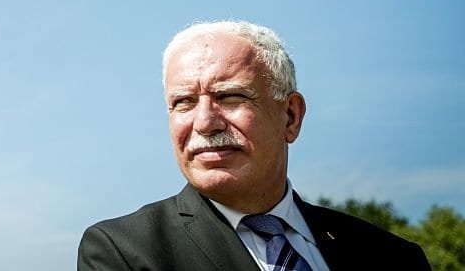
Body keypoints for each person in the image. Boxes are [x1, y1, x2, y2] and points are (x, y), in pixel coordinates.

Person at [77, 20, 430, 270]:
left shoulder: (392, 257)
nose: (204, 122)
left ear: (290, 116)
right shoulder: (123, 252)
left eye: (229, 97)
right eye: (183, 101)